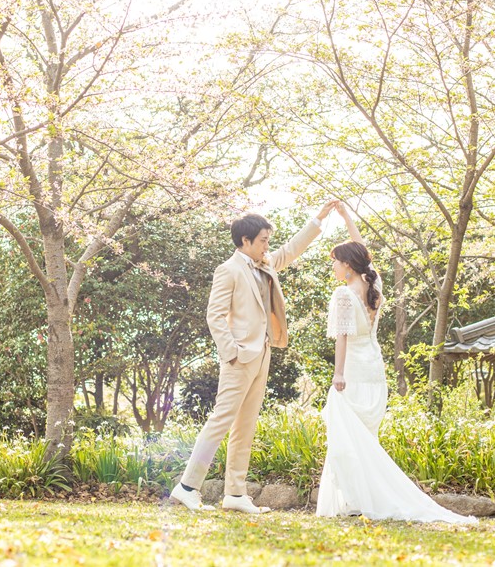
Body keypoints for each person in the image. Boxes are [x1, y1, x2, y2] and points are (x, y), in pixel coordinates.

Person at [171, 201, 338, 513]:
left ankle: (235, 493)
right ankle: (187, 486)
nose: (267, 246)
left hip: (262, 355)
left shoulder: (265, 263)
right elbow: (215, 316)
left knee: (245, 425)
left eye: (268, 240)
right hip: (239, 358)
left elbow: (291, 250)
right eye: (263, 240)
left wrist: (318, 220)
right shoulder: (229, 270)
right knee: (221, 421)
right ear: (245, 241)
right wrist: (232, 353)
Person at [316, 203, 475, 523]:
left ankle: (357, 500)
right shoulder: (374, 285)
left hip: (353, 374)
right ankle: (356, 500)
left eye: (335, 262)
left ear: (347, 265)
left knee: (346, 439)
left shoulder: (343, 295)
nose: (333, 267)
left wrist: (338, 374)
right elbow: (364, 254)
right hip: (375, 371)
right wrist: (348, 219)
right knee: (365, 441)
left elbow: (342, 338)